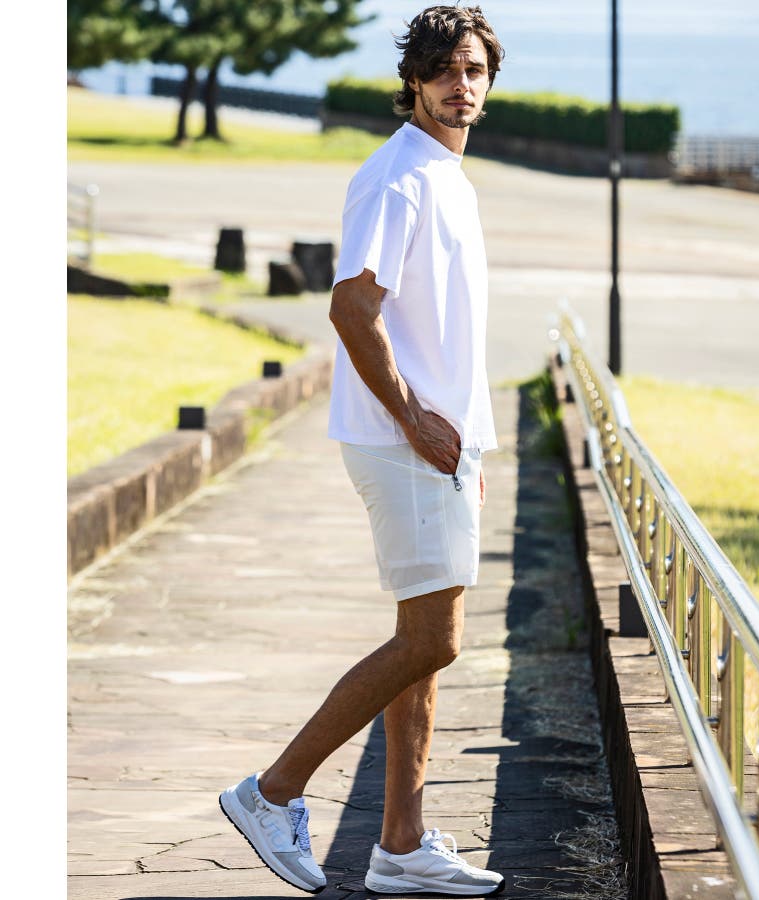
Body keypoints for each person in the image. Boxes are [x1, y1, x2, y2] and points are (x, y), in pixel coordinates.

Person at [219, 6, 505, 895]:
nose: (461, 85)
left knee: (421, 641)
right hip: (405, 441)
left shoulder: (447, 175)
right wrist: (417, 421)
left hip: (443, 449)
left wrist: (466, 444)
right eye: (445, 70)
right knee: (434, 639)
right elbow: (352, 308)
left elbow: (438, 328)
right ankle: (272, 792)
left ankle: (401, 845)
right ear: (414, 81)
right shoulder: (398, 178)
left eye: (474, 70)